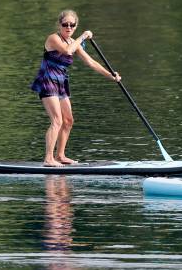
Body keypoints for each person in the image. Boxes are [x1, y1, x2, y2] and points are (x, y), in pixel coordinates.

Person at [30, 9, 121, 166]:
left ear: (75, 26)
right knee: (57, 121)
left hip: (61, 83)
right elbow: (67, 51)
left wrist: (111, 76)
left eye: (72, 25)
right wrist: (83, 36)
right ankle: (48, 159)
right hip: (48, 81)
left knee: (68, 120)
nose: (69, 27)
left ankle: (60, 156)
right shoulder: (53, 38)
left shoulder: (74, 42)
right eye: (65, 24)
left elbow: (91, 62)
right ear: (60, 25)